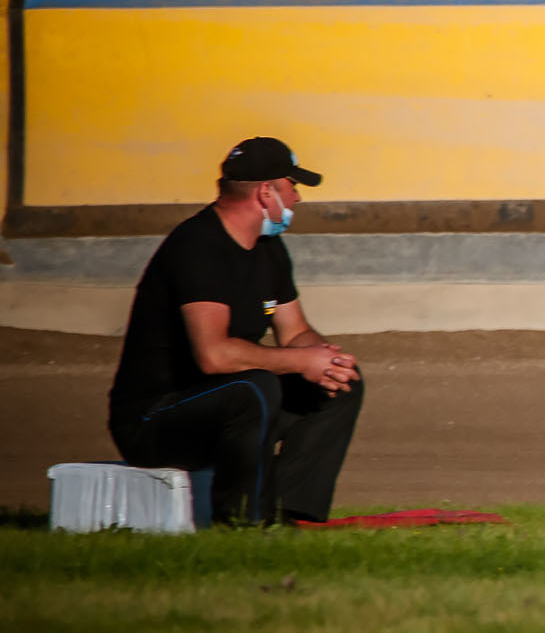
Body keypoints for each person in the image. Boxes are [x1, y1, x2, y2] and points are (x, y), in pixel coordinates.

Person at [107, 138, 365, 526]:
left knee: (340, 384)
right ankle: (245, 524)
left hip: (225, 407)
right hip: (154, 421)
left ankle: (288, 513)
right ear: (266, 192)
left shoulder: (268, 248)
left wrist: (324, 359)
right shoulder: (198, 247)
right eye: (292, 186)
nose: (296, 198)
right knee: (255, 388)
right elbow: (214, 356)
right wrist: (299, 360)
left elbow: (294, 332)